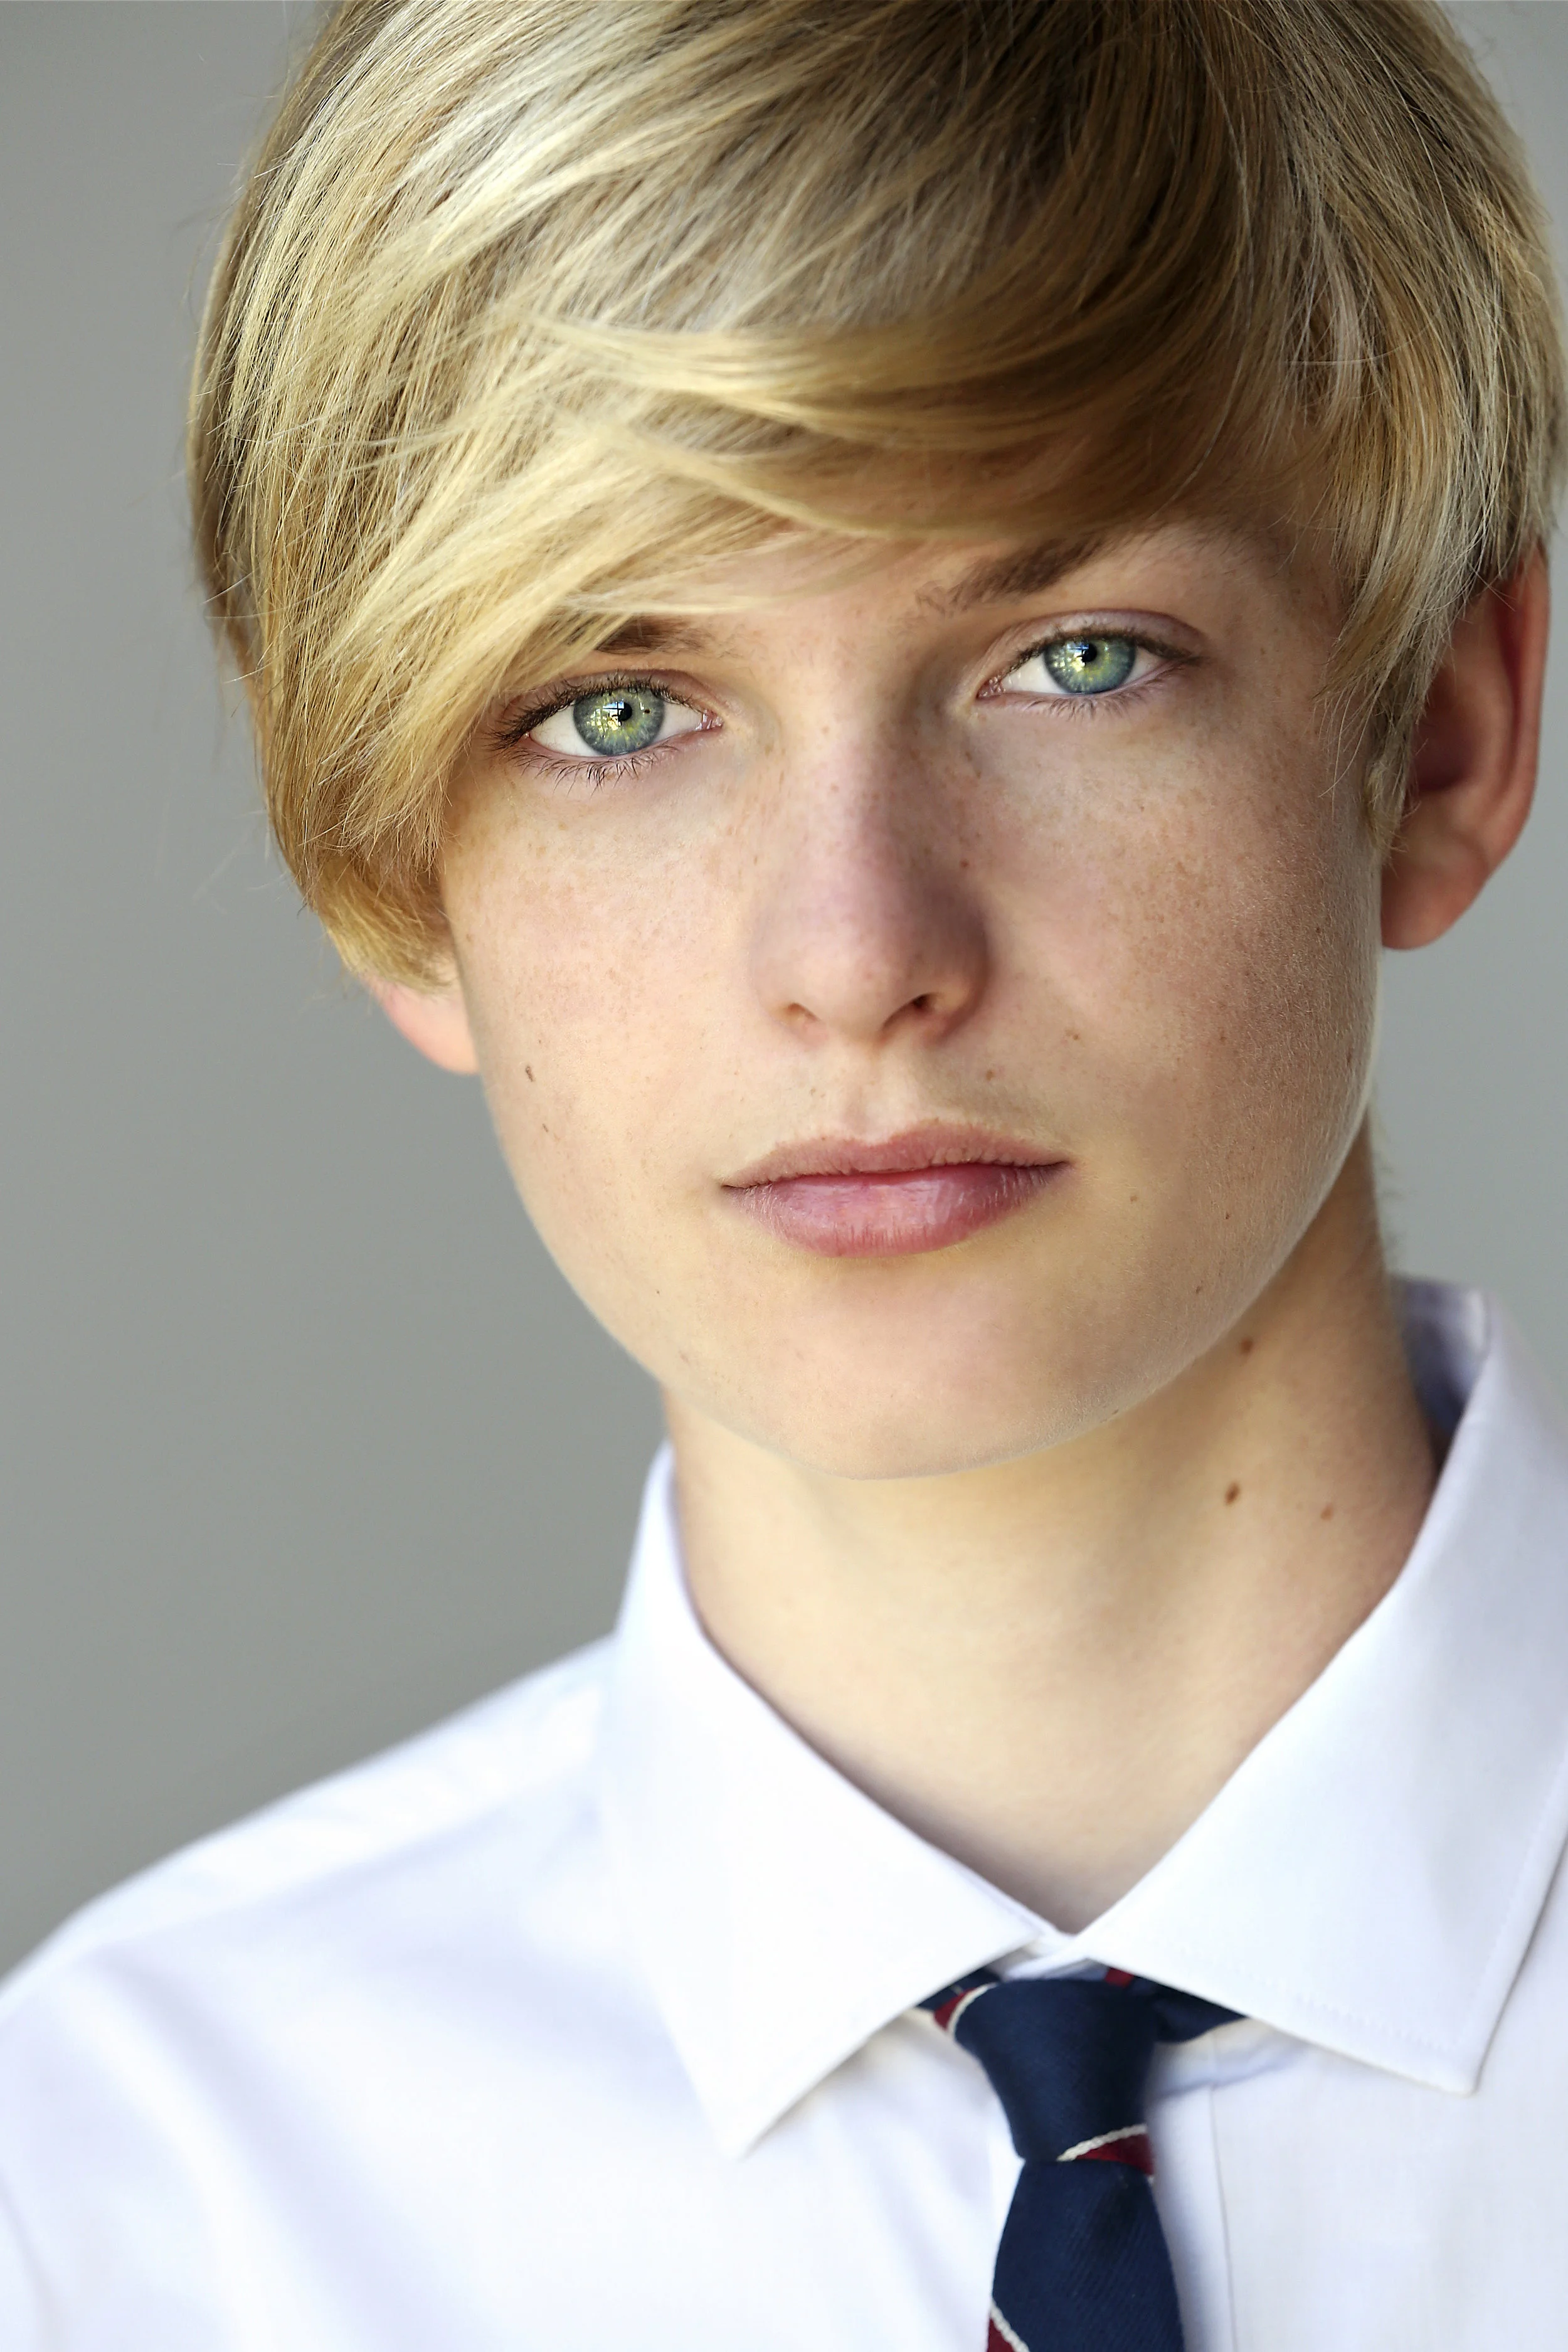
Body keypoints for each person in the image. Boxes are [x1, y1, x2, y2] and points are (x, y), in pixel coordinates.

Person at [2, 0, 1564, 2344]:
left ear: (1438, 737)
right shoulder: (123, 2205)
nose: (856, 955)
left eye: (1074, 659)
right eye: (614, 709)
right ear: (388, 865)